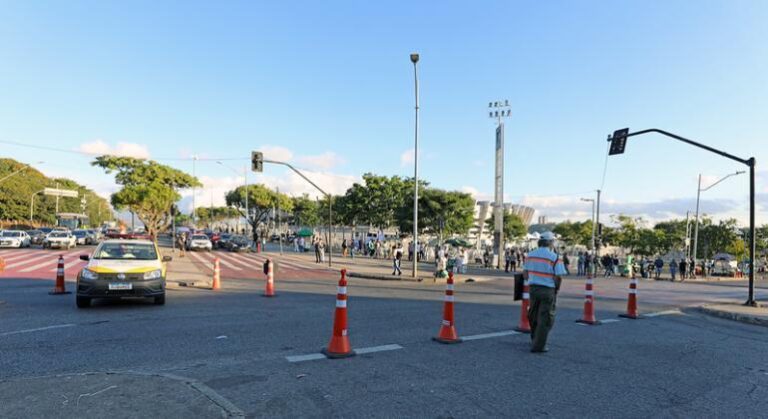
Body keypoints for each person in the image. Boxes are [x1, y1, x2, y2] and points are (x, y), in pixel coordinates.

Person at [523, 232, 566, 353]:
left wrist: (533, 280)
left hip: (533, 288)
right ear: (550, 243)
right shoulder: (554, 257)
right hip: (547, 289)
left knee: (533, 314)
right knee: (545, 318)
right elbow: (558, 277)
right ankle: (538, 346)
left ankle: (534, 338)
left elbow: (525, 274)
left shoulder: (530, 255)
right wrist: (556, 289)